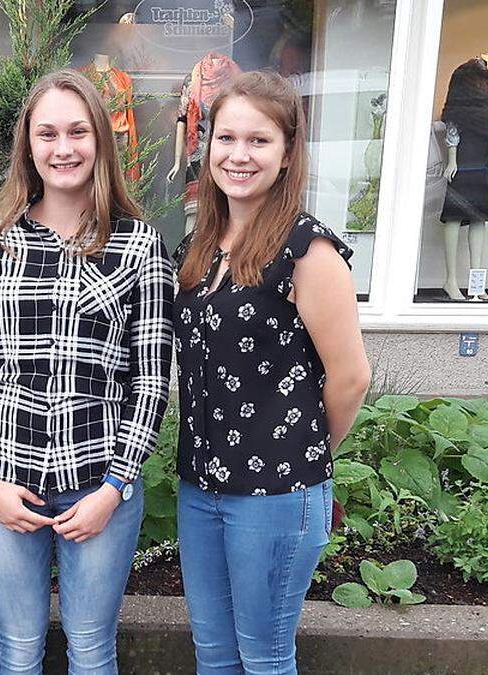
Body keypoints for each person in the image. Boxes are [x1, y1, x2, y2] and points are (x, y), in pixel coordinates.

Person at [0, 69, 174, 674]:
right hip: (4, 485)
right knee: (17, 651)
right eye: (47, 133)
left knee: (91, 648)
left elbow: (150, 379)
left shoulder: (139, 245)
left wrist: (114, 489)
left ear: (100, 139)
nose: (63, 147)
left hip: (99, 487)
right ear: (28, 145)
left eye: (77, 131)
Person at [173, 70, 371, 674]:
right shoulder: (200, 244)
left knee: (262, 658)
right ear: (206, 147)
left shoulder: (308, 250)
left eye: (258, 141)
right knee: (214, 655)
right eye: (226, 139)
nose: (238, 155)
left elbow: (351, 378)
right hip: (200, 486)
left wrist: (305, 453)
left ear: (287, 154)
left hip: (277, 493)